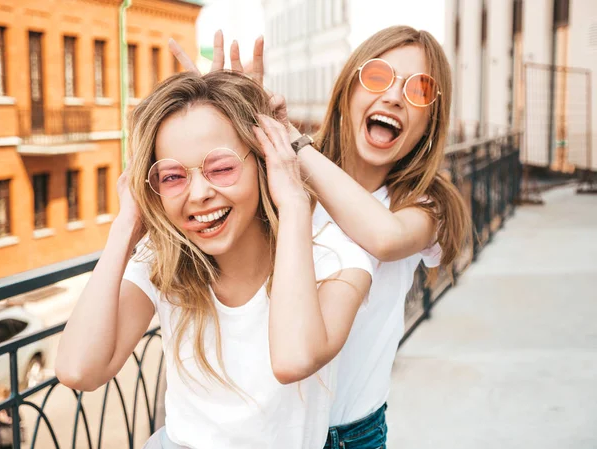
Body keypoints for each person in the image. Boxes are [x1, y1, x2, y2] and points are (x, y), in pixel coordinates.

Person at [172, 24, 471, 449]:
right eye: (378, 76)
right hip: (267, 432)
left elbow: (382, 236)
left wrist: (291, 140)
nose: (392, 97)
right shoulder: (288, 178)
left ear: (430, 122)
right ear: (349, 89)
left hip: (348, 436)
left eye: (419, 89)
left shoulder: (424, 205)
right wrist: (221, 112)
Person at [55, 70, 374, 449]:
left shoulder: (335, 258)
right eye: (173, 176)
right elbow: (78, 370)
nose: (199, 194)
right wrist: (126, 228)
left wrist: (292, 203)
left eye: (221, 168)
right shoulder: (163, 261)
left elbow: (293, 359)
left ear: (264, 163)